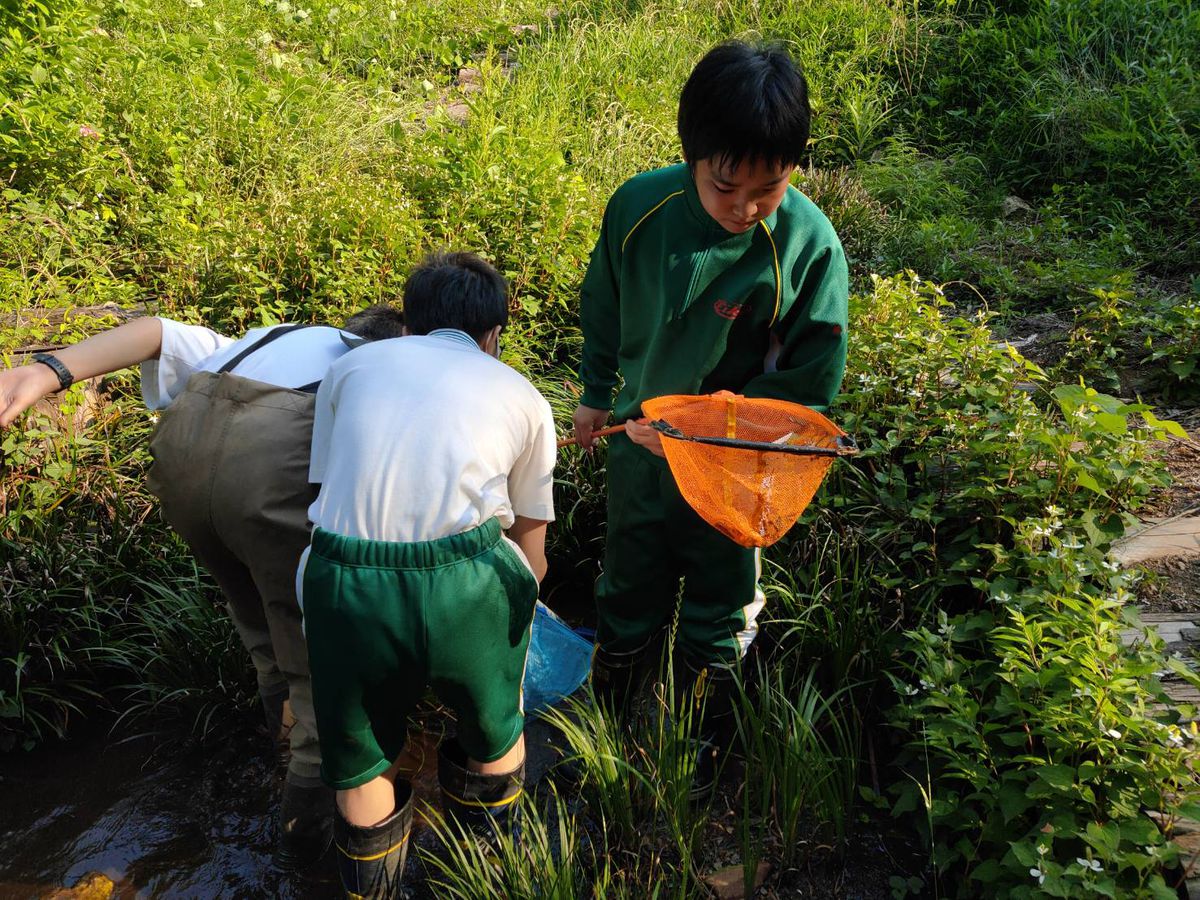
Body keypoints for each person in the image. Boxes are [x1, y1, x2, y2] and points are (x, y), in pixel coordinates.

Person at [0, 305, 405, 869]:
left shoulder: (268, 338)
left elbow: (155, 333)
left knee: (266, 640)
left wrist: (46, 371)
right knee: (320, 672)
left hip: (182, 463)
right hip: (266, 473)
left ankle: (278, 755)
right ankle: (308, 844)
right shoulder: (374, 361)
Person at [571, 41, 850, 786]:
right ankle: (611, 722)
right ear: (694, 155)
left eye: (770, 187)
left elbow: (812, 382)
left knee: (722, 605)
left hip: (735, 475)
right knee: (627, 587)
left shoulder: (807, 246)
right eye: (727, 186)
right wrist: (596, 393)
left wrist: (715, 430)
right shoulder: (640, 207)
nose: (745, 207)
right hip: (640, 450)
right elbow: (603, 302)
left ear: (794, 167)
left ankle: (693, 748)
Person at [298, 251, 555, 898]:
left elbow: (332, 490)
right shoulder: (523, 396)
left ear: (406, 327)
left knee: (359, 758)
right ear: (493, 337)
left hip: (343, 580)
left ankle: (372, 890)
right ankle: (485, 871)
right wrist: (514, 627)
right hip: (466, 581)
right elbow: (533, 553)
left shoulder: (351, 368)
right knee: (496, 726)